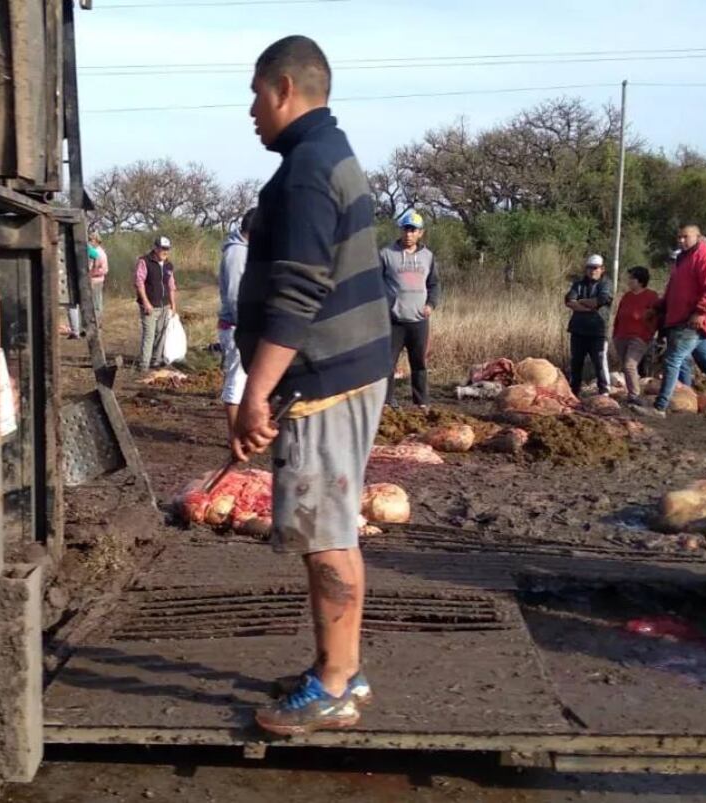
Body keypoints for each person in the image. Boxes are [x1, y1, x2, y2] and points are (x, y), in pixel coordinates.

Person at [232, 35, 391, 735]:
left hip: (325, 377)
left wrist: (254, 393)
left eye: (255, 95)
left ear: (284, 89)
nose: (251, 111)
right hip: (345, 370)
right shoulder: (331, 153)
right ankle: (339, 667)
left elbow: (298, 294)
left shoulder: (305, 171)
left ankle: (334, 685)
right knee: (331, 528)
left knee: (324, 534)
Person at [633, 224, 706, 417]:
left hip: (690, 321)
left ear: (698, 237)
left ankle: (659, 407)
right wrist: (657, 307)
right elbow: (673, 292)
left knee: (672, 360)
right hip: (679, 318)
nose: (681, 240)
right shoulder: (682, 260)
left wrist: (701, 311)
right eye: (679, 237)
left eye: (685, 237)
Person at [381, 210, 440, 409]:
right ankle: (386, 402)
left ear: (420, 233)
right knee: (388, 363)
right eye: (406, 229)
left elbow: (434, 284)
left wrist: (431, 304)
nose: (408, 234)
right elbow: (374, 283)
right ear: (401, 230)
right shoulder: (386, 254)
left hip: (418, 320)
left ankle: (421, 403)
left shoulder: (428, 257)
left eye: (413, 230)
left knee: (419, 364)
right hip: (394, 320)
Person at [217, 209, 255, 435]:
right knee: (237, 381)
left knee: (246, 380)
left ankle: (242, 432)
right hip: (236, 327)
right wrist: (246, 327)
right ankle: (235, 437)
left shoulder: (245, 250)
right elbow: (234, 296)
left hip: (243, 326)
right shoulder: (237, 253)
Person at [564, 254, 613, 396]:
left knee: (600, 362)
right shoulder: (578, 284)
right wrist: (587, 307)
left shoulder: (606, 284)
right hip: (578, 330)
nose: (592, 270)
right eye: (590, 267)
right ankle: (574, 392)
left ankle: (604, 391)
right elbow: (569, 301)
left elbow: (601, 300)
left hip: (597, 332)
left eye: (595, 268)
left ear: (602, 269)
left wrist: (580, 301)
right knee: (576, 363)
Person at [611, 266, 658, 403]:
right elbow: (619, 315)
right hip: (621, 336)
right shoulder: (627, 296)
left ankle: (634, 396)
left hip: (639, 337)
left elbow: (656, 317)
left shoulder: (651, 296)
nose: (629, 281)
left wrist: (649, 334)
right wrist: (615, 334)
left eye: (631, 278)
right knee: (627, 367)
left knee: (629, 365)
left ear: (640, 280)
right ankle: (633, 392)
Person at [133, 235, 177, 371]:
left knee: (161, 334)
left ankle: (156, 360)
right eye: (163, 248)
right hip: (150, 305)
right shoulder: (144, 262)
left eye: (167, 249)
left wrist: (173, 304)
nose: (165, 251)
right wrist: (146, 303)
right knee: (149, 335)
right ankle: (144, 364)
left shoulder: (169, 265)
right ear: (156, 248)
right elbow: (139, 283)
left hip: (164, 305)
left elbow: (171, 285)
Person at [87, 232, 108, 325]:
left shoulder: (99, 253)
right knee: (96, 301)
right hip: (96, 279)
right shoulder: (96, 251)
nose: (89, 242)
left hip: (96, 279)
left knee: (96, 302)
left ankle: (96, 322)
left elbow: (101, 268)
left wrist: (91, 274)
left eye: (91, 240)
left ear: (96, 241)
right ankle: (96, 321)